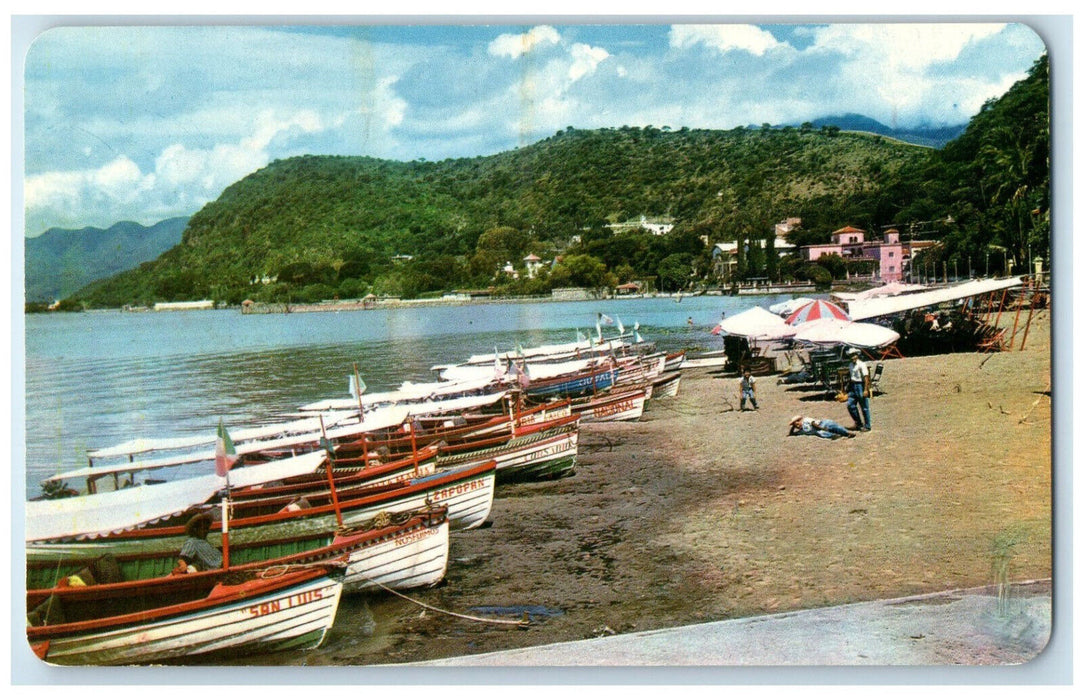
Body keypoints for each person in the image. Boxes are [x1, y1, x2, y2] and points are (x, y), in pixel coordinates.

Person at [845, 347, 872, 431]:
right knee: (850, 405)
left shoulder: (861, 364)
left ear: (857, 355)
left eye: (854, 355)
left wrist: (865, 390)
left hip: (860, 385)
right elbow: (851, 376)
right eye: (851, 356)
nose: (852, 357)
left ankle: (867, 426)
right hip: (853, 386)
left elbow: (866, 377)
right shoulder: (850, 365)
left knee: (864, 407)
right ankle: (858, 423)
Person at [788, 414, 856, 439]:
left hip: (822, 424)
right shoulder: (802, 430)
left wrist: (822, 428)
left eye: (797, 423)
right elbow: (792, 434)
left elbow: (813, 423)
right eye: (795, 425)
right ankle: (836, 435)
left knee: (835, 427)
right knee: (823, 433)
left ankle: (847, 433)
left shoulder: (806, 420)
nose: (797, 425)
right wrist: (793, 427)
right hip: (819, 431)